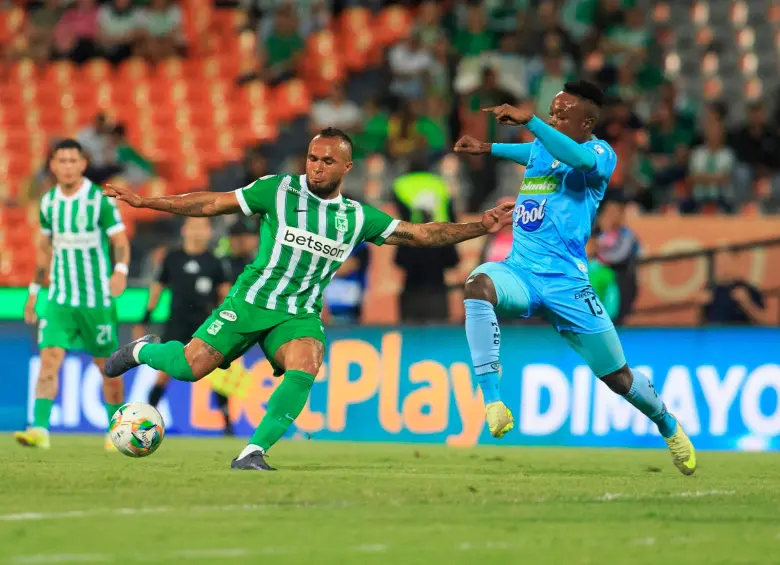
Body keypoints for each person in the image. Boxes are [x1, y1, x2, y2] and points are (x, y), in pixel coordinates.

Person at [102, 128, 513, 471]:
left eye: (327, 161)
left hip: (297, 314)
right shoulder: (277, 190)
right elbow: (212, 202)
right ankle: (144, 351)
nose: (317, 166)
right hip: (249, 302)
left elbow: (423, 234)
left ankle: (253, 451)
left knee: (308, 361)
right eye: (313, 158)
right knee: (190, 368)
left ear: (346, 168)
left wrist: (481, 225)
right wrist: (148, 202)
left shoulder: (356, 218)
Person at [453, 80, 697, 476]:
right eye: (551, 111)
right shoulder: (540, 150)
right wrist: (487, 148)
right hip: (522, 273)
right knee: (477, 286)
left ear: (586, 123)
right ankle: (493, 400)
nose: (552, 118)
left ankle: (667, 424)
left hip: (568, 285)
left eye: (561, 114)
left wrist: (530, 120)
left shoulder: (601, 153)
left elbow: (577, 160)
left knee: (618, 378)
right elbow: (529, 151)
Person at [15, 139, 130, 450]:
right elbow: (44, 253)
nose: (66, 166)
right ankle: (39, 429)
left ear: (82, 164)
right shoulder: (48, 202)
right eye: (60, 161)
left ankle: (115, 430)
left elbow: (119, 241)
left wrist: (120, 271)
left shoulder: (99, 200)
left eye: (72, 160)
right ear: (52, 166)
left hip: (96, 300)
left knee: (108, 368)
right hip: (59, 299)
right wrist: (34, 292)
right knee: (49, 360)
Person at [135, 217, 233, 435]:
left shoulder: (216, 262)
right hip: (176, 323)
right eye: (193, 227)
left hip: (205, 326)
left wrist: (226, 325)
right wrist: (145, 319)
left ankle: (228, 424)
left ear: (209, 233)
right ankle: (149, 418)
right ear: (184, 230)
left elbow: (225, 297)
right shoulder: (173, 258)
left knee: (216, 373)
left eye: (202, 228)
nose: (198, 232)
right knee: (163, 373)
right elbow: (157, 289)